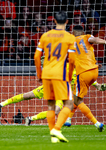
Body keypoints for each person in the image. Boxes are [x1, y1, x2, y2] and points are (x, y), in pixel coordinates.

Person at [34, 11, 76, 143]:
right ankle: (57, 129)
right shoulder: (69, 37)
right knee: (69, 103)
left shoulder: (45, 35)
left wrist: (39, 74)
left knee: (50, 105)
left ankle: (53, 137)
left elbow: (36, 56)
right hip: (60, 74)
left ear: (55, 21)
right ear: (67, 22)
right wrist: (69, 75)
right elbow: (72, 60)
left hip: (46, 73)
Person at [64, 25, 106, 131]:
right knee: (76, 96)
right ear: (82, 32)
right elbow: (95, 39)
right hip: (95, 71)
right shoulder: (86, 37)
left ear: (73, 32)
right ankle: (68, 119)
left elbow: (67, 59)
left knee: (78, 100)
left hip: (83, 73)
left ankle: (97, 123)